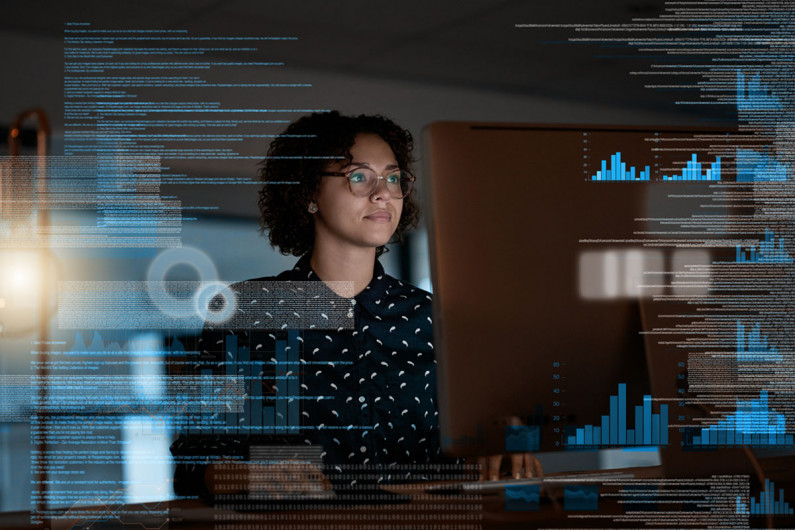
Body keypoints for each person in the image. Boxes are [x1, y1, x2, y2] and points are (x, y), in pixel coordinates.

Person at [170, 111, 541, 500]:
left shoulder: (440, 319)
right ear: (309, 193)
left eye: (393, 178)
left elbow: (489, 427)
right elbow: (193, 465)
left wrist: (506, 442)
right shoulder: (244, 313)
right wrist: (249, 477)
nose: (382, 192)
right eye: (359, 176)